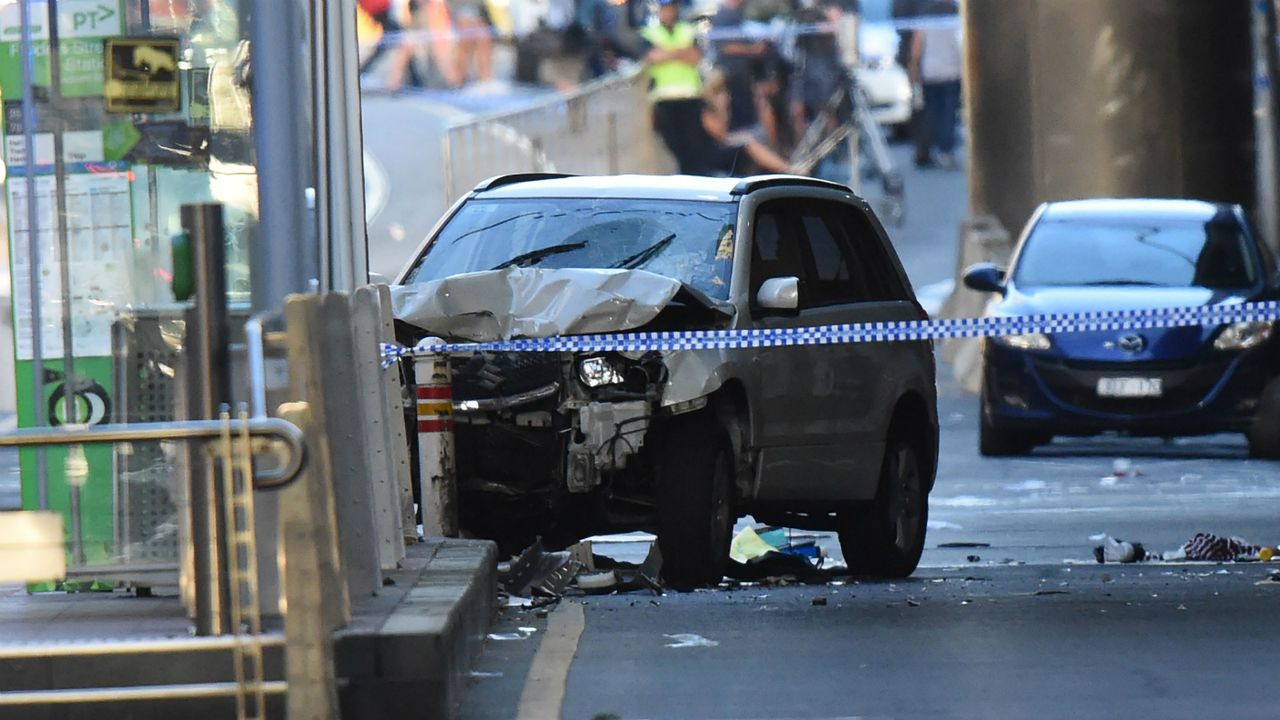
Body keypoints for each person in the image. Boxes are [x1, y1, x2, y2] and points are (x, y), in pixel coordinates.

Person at [640, 0, 705, 174]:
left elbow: (695, 56)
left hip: (690, 96)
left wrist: (668, 52)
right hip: (664, 98)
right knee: (673, 145)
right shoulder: (649, 33)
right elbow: (653, 57)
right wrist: (680, 52)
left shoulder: (688, 30)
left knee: (693, 146)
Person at [908, 0, 962, 168]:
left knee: (932, 112)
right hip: (952, 71)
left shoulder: (925, 13)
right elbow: (961, 44)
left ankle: (928, 149)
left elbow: (916, 46)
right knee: (949, 113)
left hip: (930, 72)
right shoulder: (956, 13)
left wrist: (914, 67)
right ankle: (946, 150)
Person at [359, 0, 427, 92]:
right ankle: (415, 82)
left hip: (379, 8)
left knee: (393, 44)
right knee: (401, 41)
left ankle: (415, 81)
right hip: (379, 8)